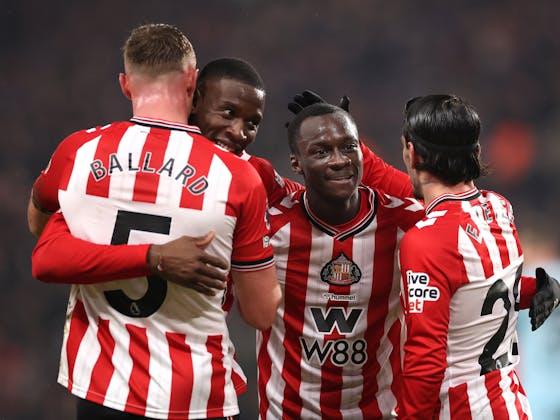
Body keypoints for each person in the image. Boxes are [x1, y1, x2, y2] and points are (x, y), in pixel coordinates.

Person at [29, 23, 281, 420]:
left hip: (100, 389)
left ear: (125, 85)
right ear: (193, 81)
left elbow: (41, 231)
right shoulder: (238, 177)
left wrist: (107, 240)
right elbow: (261, 313)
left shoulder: (79, 151)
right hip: (196, 394)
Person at [397, 95, 560, 419]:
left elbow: (425, 361)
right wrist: (533, 289)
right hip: (511, 406)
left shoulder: (425, 241)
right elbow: (484, 292)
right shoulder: (498, 207)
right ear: (477, 151)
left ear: (411, 153)